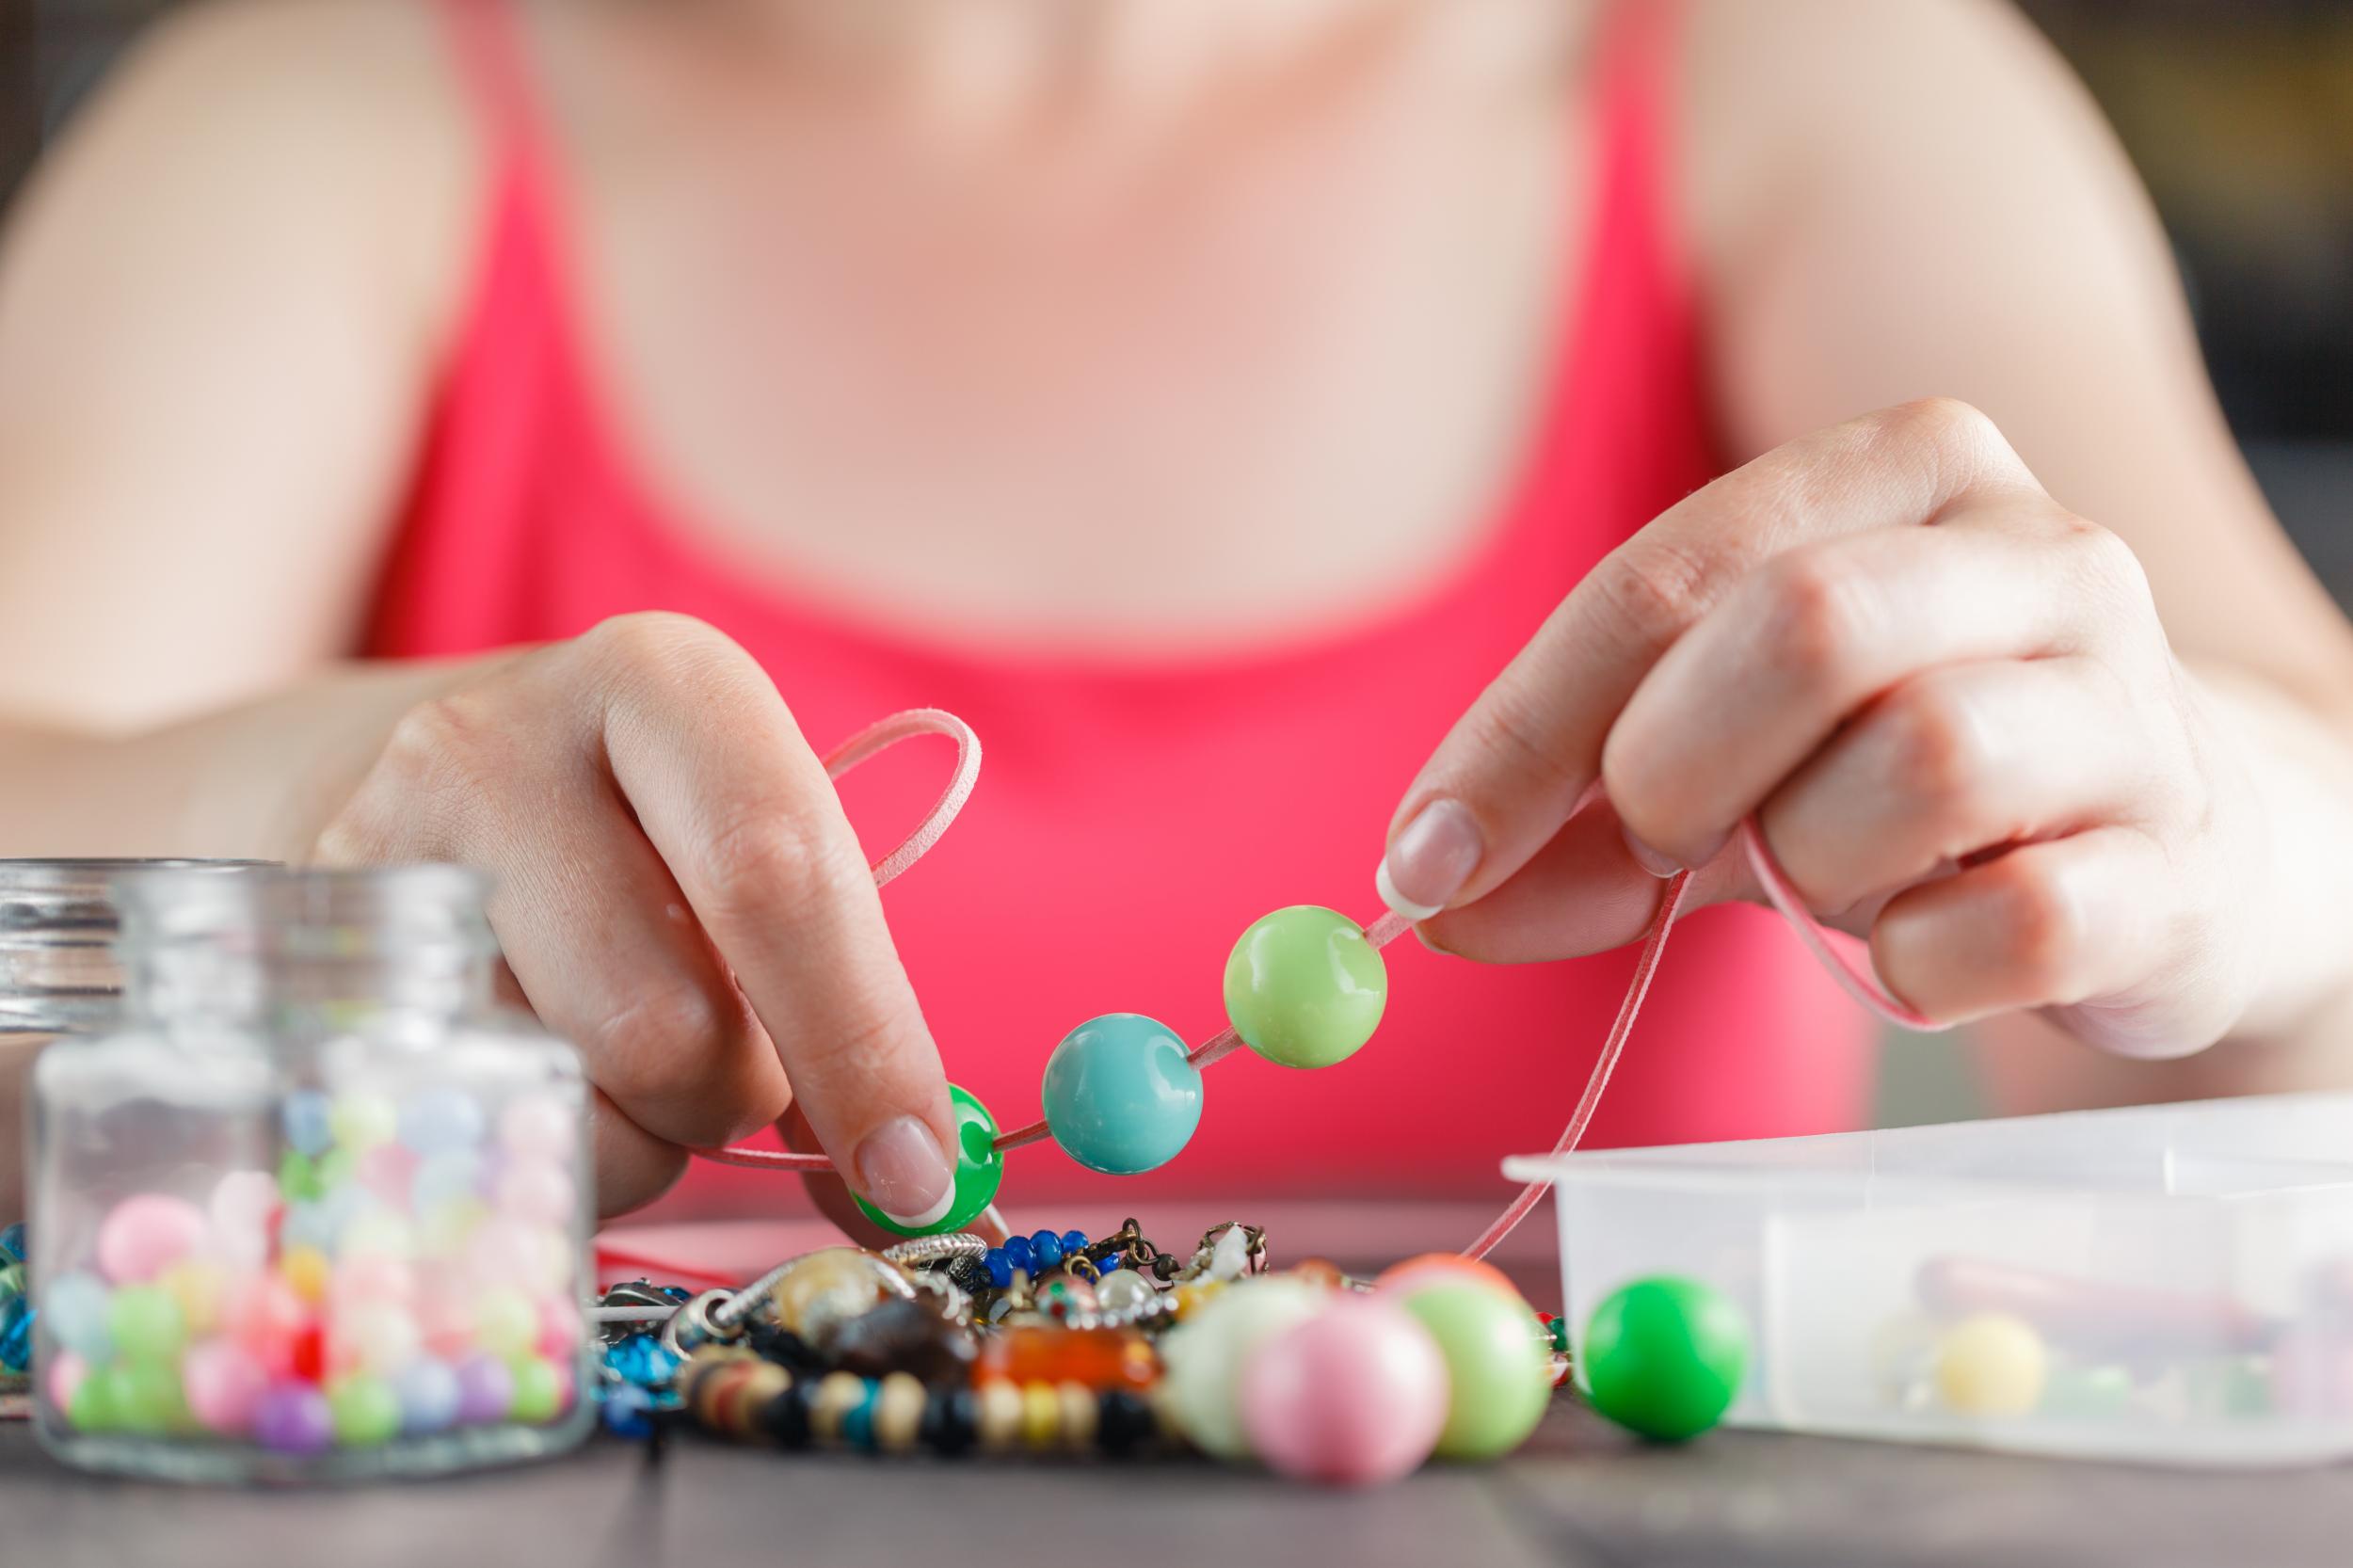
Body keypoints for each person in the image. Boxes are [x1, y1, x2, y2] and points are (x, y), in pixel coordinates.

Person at [4, 0, 2350, 1233]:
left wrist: (2213, 845)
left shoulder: (1805, 83)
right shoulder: (332, 114)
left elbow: (2285, 857)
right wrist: (300, 850)